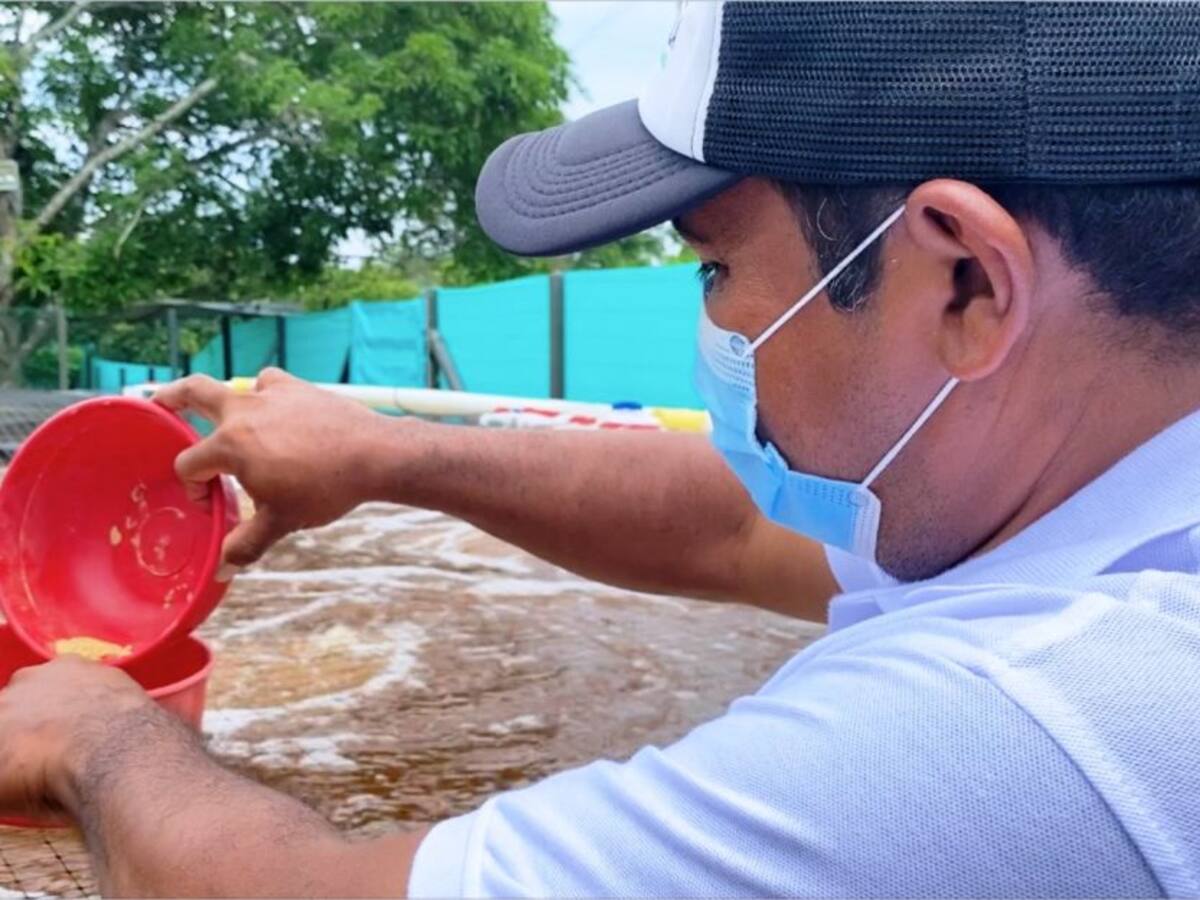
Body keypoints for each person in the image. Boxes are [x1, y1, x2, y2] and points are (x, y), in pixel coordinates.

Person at [3, 2, 1200, 895]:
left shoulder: (1016, 728)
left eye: (718, 265)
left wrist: (92, 739)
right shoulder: (1091, 498)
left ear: (966, 284)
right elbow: (736, 526)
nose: (714, 321)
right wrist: (386, 453)